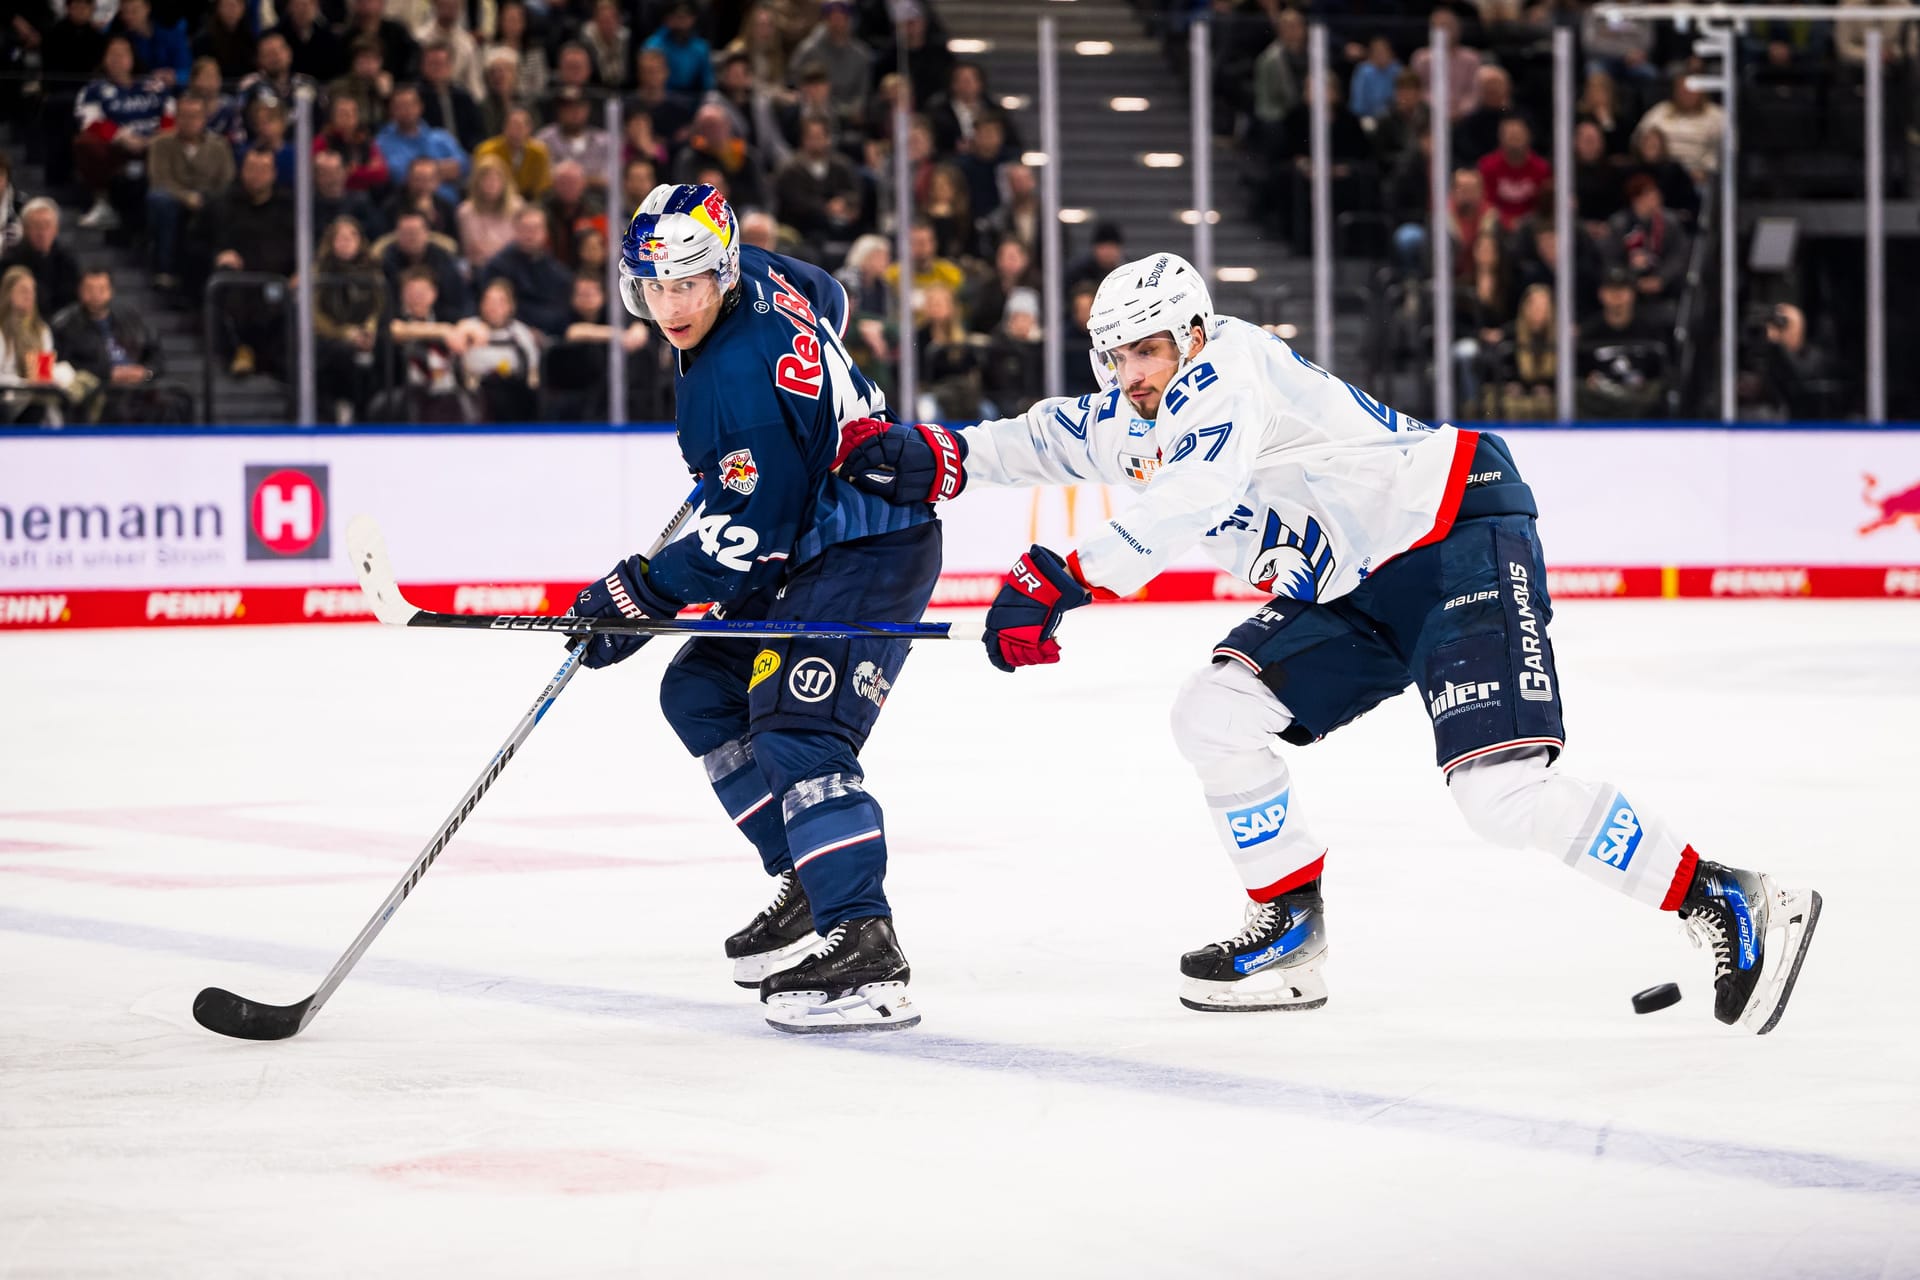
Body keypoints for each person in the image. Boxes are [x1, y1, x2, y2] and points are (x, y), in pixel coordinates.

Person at [833, 251, 1822, 1035]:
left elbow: (1194, 499)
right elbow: (1042, 440)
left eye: (1147, 352)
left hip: (1451, 532)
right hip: (1356, 580)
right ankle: (1291, 928)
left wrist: (1063, 576)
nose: (1131, 375)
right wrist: (934, 454)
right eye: (1116, 356)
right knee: (1213, 711)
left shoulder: (1231, 364)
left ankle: (1726, 897)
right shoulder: (1139, 410)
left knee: (1500, 793)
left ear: (1190, 332)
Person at [563, 182, 939, 1033]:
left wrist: (640, 595)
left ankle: (865, 945)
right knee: (698, 693)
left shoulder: (734, 381)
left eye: (689, 284)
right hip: (813, 538)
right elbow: (830, 299)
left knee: (797, 729)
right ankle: (808, 877)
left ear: (723, 270)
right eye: (654, 286)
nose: (671, 304)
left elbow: (750, 537)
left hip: (864, 546)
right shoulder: (761, 273)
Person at [74, 34, 176, 230]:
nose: (117, 60)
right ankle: (103, 202)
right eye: (112, 55)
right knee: (85, 142)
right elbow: (90, 122)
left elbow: (171, 113)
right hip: (117, 149)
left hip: (155, 145)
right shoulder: (94, 90)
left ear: (131, 58)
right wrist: (122, 137)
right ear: (104, 59)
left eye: (122, 54)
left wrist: (156, 139)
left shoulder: (153, 85)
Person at [51, 266, 165, 421]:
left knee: (176, 401)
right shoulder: (66, 325)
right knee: (116, 406)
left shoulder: (131, 318)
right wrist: (107, 374)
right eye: (90, 289)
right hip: (99, 390)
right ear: (80, 291)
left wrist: (146, 373)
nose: (96, 295)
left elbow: (156, 357)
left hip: (139, 386)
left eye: (102, 289)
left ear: (111, 291)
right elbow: (64, 365)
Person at [145, 92, 234, 289]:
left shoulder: (220, 146)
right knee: (159, 198)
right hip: (174, 197)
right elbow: (160, 179)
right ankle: (165, 269)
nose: (189, 121)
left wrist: (208, 200)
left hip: (210, 199)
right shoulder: (161, 143)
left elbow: (227, 181)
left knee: (226, 205)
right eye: (184, 116)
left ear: (204, 119)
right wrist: (187, 197)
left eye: (194, 116)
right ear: (176, 118)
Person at [314, 216, 387, 422]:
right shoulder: (319, 272)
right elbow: (315, 316)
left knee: (385, 350)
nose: (346, 241)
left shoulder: (372, 271)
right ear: (331, 242)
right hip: (329, 337)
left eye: (351, 236)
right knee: (341, 353)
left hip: (365, 335)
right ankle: (341, 406)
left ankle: (372, 415)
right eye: (340, 237)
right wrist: (346, 333)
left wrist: (369, 330)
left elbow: (378, 306)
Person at [0, 199, 83, 318]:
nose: (42, 232)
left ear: (56, 229)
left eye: (47, 225)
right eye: (36, 226)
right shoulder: (10, 261)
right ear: (25, 229)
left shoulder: (67, 260)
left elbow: (72, 300)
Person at [457, 153, 523, 269]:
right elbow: (472, 249)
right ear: (477, 183)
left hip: (512, 267)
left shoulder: (518, 207)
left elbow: (520, 245)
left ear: (505, 182)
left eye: (496, 179)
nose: (491, 184)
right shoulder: (465, 212)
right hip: (479, 267)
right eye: (486, 179)